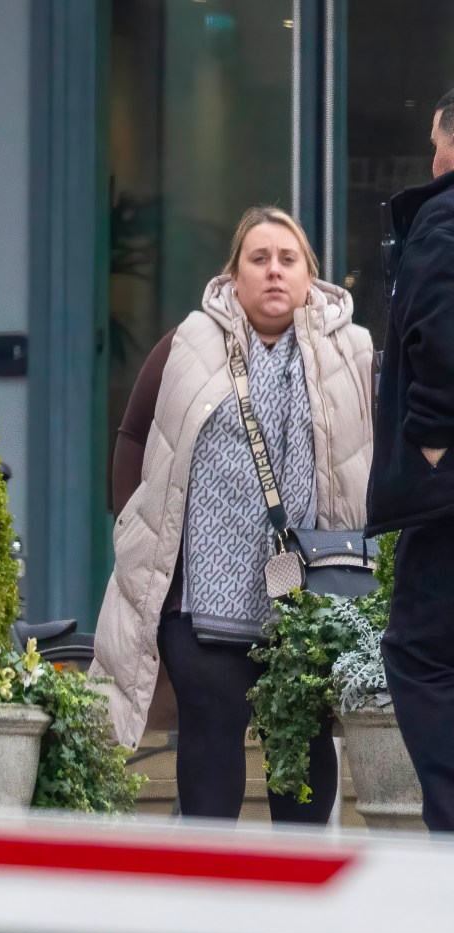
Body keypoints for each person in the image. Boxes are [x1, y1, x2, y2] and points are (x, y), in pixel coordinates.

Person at [91, 206, 374, 823]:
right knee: (210, 747)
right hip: (198, 605)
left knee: (301, 749)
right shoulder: (189, 344)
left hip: (311, 602)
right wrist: (134, 526)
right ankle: (208, 895)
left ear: (309, 276)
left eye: (287, 259)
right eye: (259, 259)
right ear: (235, 276)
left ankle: (295, 900)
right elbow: (135, 434)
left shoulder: (351, 350)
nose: (274, 272)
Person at [366, 89, 454, 832]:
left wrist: (431, 440)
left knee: (418, 653)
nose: (432, 161)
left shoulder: (445, 219)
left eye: (436, 143)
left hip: (448, 497)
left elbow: (442, 335)